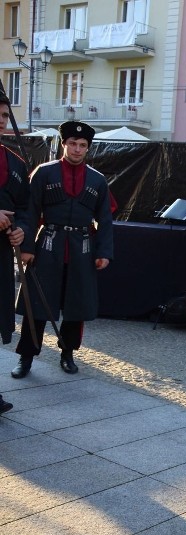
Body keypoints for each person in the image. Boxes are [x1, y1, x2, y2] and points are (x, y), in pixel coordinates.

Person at [11, 120, 113, 379]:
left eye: (82, 145)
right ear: (64, 144)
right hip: (47, 246)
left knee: (75, 307)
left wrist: (103, 252)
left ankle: (67, 354)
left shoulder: (98, 180)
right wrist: (26, 247)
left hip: (82, 250)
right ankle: (26, 357)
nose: (77, 149)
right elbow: (30, 212)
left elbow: (105, 219)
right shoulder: (44, 173)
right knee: (37, 306)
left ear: (88, 148)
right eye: (72, 144)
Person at [0, 94, 29, 415]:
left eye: (6, 115)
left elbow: (23, 207)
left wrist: (21, 228)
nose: (2, 120)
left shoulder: (16, 164)